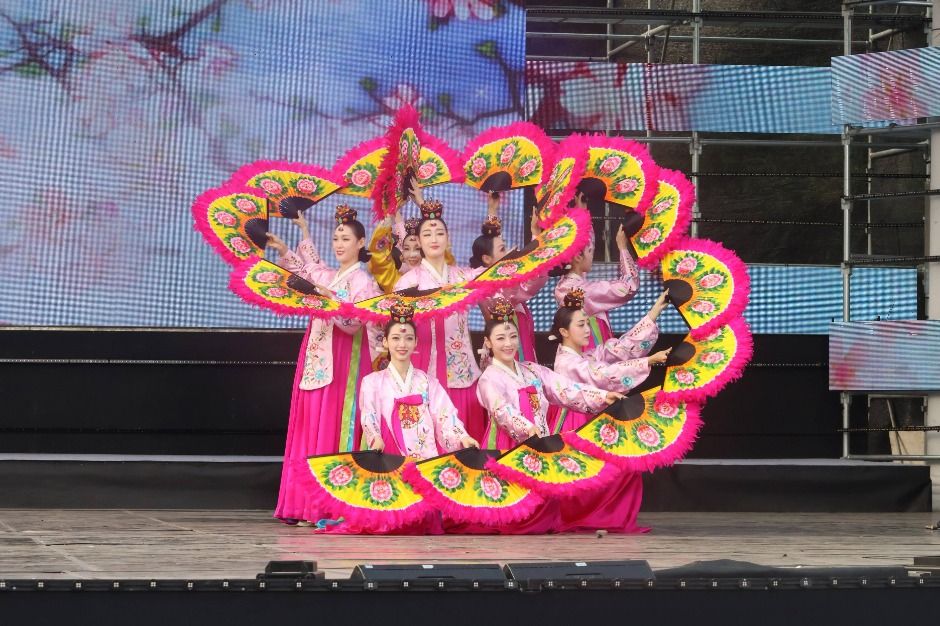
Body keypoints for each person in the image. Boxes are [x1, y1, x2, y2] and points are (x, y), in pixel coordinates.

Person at [266, 205, 381, 523]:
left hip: (345, 360)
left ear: (361, 243)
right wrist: (288, 246)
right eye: (336, 238)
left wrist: (330, 299)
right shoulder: (328, 275)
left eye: (346, 239)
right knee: (309, 425)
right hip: (316, 357)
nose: (339, 244)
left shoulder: (363, 282)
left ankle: (328, 505)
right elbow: (308, 270)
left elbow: (354, 323)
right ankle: (302, 504)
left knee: (333, 425)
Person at [392, 184, 494, 441]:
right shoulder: (407, 283)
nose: (434, 239)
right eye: (427, 234)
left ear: (448, 239)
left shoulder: (463, 278)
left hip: (461, 370)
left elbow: (496, 276)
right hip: (422, 368)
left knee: (464, 443)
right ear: (419, 241)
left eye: (439, 233)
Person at [475, 298, 623, 451]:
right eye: (500, 338)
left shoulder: (532, 370)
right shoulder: (489, 378)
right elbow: (501, 410)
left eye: (513, 336)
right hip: (506, 447)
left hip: (539, 439)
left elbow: (564, 387)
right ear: (488, 342)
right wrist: (527, 428)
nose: (508, 343)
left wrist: (603, 396)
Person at [359, 300, 479, 460]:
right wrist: (375, 438)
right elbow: (369, 415)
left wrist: (462, 437)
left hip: (425, 457)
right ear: (385, 342)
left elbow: (445, 415)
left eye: (408, 338)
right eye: (396, 338)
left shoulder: (428, 382)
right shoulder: (371, 382)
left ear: (416, 342)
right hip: (389, 453)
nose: (402, 344)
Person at [549, 288, 672, 433]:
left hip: (589, 417)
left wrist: (654, 311)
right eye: (581, 325)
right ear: (564, 331)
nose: (588, 330)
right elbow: (603, 374)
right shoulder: (566, 363)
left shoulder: (584, 356)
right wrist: (647, 361)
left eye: (588, 323)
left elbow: (619, 349)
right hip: (575, 421)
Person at [554, 192, 640, 350]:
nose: (592, 254)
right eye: (590, 251)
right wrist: (622, 248)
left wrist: (582, 213)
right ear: (578, 257)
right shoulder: (583, 292)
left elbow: (585, 244)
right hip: (592, 353)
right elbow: (629, 287)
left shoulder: (566, 285)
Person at [471, 206, 548, 364]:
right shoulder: (487, 287)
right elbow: (532, 280)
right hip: (506, 343)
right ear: (486, 259)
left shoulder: (500, 280)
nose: (507, 252)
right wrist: (535, 235)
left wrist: (493, 208)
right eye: (502, 249)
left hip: (517, 334)